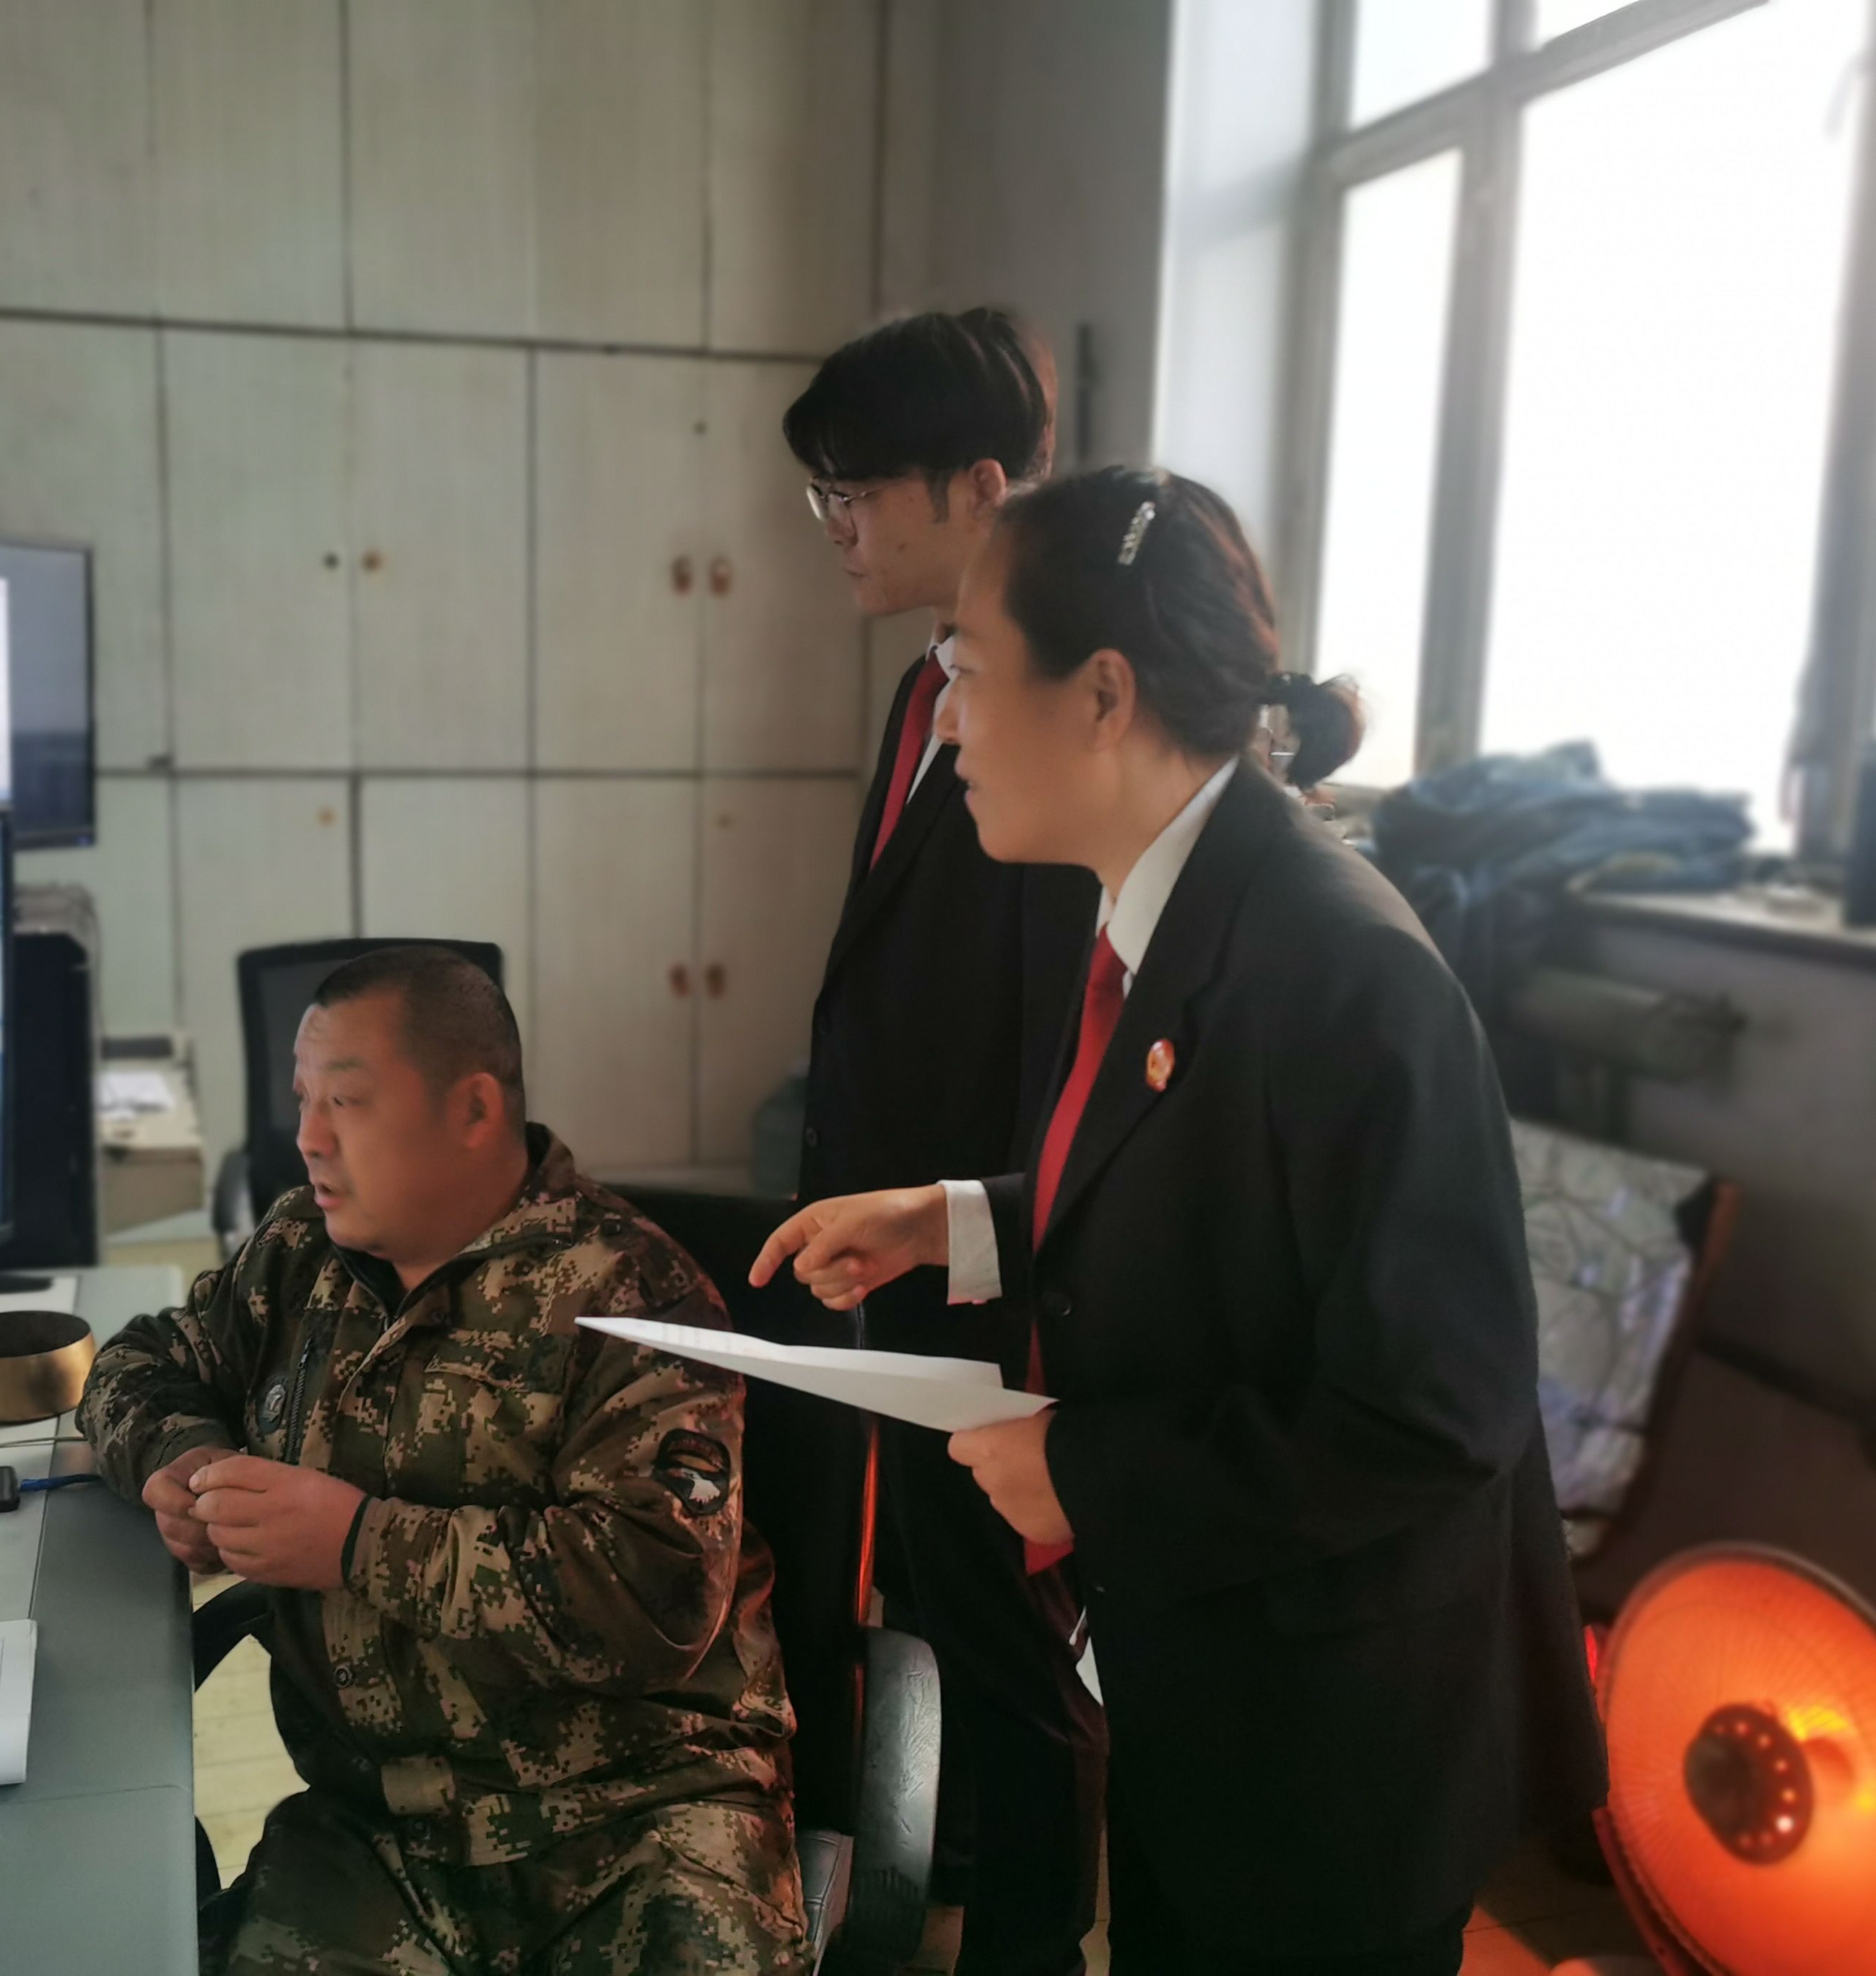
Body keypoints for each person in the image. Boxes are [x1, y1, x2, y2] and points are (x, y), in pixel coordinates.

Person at [753, 469, 1609, 1972]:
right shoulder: (1165, 903)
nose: (947, 724)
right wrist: (955, 1221)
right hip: (1211, 1674)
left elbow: (1437, 1415)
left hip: (1338, 1740)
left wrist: (1083, 1473)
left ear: (1102, 695)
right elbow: (1200, 1196)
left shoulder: (1340, 972)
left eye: (968, 672)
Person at [79, 946, 807, 1976]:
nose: (310, 1137)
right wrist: (180, 1457)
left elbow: (654, 1601)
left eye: (347, 1102)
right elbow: (136, 1363)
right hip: (383, 1832)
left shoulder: (633, 1294)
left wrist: (352, 1542)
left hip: (639, 1819)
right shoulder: (299, 1257)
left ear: (473, 1110)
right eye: (302, 1100)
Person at [780, 308, 1107, 1975]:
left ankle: (1030, 1940)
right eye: (822, 495)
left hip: (988, 1260)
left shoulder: (1053, 711)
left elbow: (1060, 1044)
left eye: (857, 492)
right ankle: (954, 1868)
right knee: (929, 1599)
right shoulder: (931, 682)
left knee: (1004, 1637)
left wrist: (1000, 1255)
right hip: (902, 1239)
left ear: (980, 488)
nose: (835, 526)